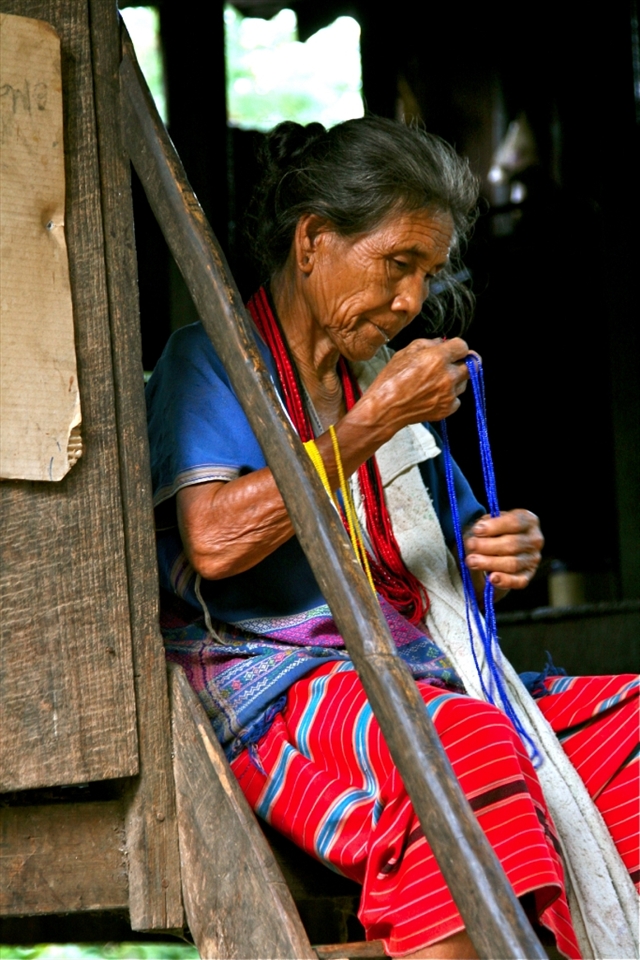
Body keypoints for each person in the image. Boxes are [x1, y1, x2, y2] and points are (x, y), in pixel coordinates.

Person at [146, 118, 638, 959]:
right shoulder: (212, 362)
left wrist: (500, 549)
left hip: (416, 673)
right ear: (313, 242)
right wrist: (371, 423)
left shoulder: (377, 383)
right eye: (396, 263)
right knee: (458, 746)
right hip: (270, 685)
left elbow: (448, 564)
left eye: (427, 273)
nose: (412, 300)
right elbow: (216, 543)